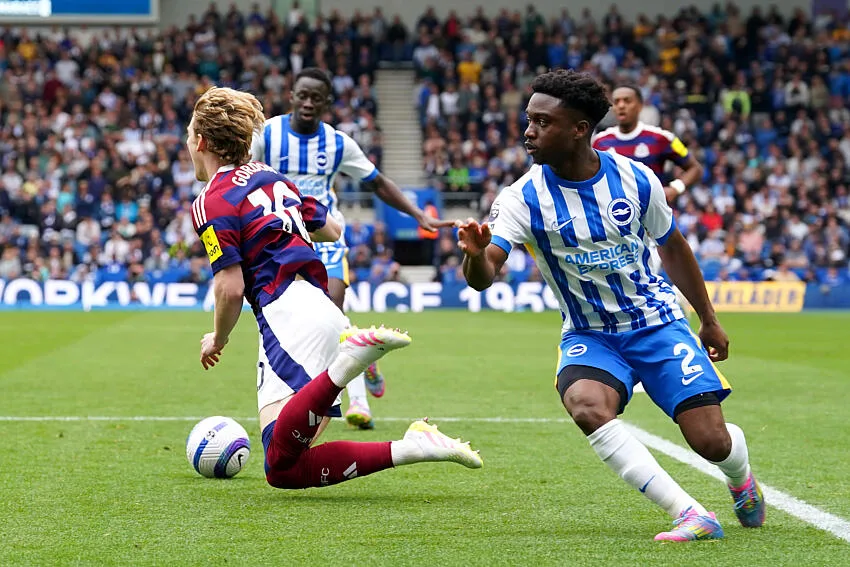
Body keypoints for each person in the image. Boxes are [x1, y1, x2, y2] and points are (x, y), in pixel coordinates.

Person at [456, 70, 764, 541]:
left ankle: (740, 479)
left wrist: (709, 319)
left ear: (579, 128)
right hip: (589, 333)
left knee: (711, 441)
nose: (528, 132)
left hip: (657, 322)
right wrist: (475, 256)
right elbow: (484, 276)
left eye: (542, 122)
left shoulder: (636, 178)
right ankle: (691, 514)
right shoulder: (522, 198)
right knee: (585, 405)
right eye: (528, 120)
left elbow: (674, 248)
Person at [188, 86, 482, 490]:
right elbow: (331, 227)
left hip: (286, 312)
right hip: (321, 307)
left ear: (200, 141)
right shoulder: (275, 179)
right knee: (286, 466)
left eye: (190, 137)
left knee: (279, 458)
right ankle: (416, 446)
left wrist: (217, 338)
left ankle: (349, 363)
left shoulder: (211, 199)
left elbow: (230, 287)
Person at [252, 68, 453, 429]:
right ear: (291, 95)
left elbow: (377, 182)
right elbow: (244, 173)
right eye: (303, 95)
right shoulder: (268, 134)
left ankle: (357, 401)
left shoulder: (339, 144)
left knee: (331, 317)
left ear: (328, 102)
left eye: (317, 97)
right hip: (282, 243)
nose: (309, 103)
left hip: (327, 241)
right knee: (306, 326)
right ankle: (365, 358)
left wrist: (418, 214)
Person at [593, 84, 704, 205]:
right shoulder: (599, 142)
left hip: (653, 215)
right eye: (616, 101)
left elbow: (695, 168)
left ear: (640, 106)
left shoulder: (662, 138)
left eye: (627, 101)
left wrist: (675, 189)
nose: (621, 105)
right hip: (616, 216)